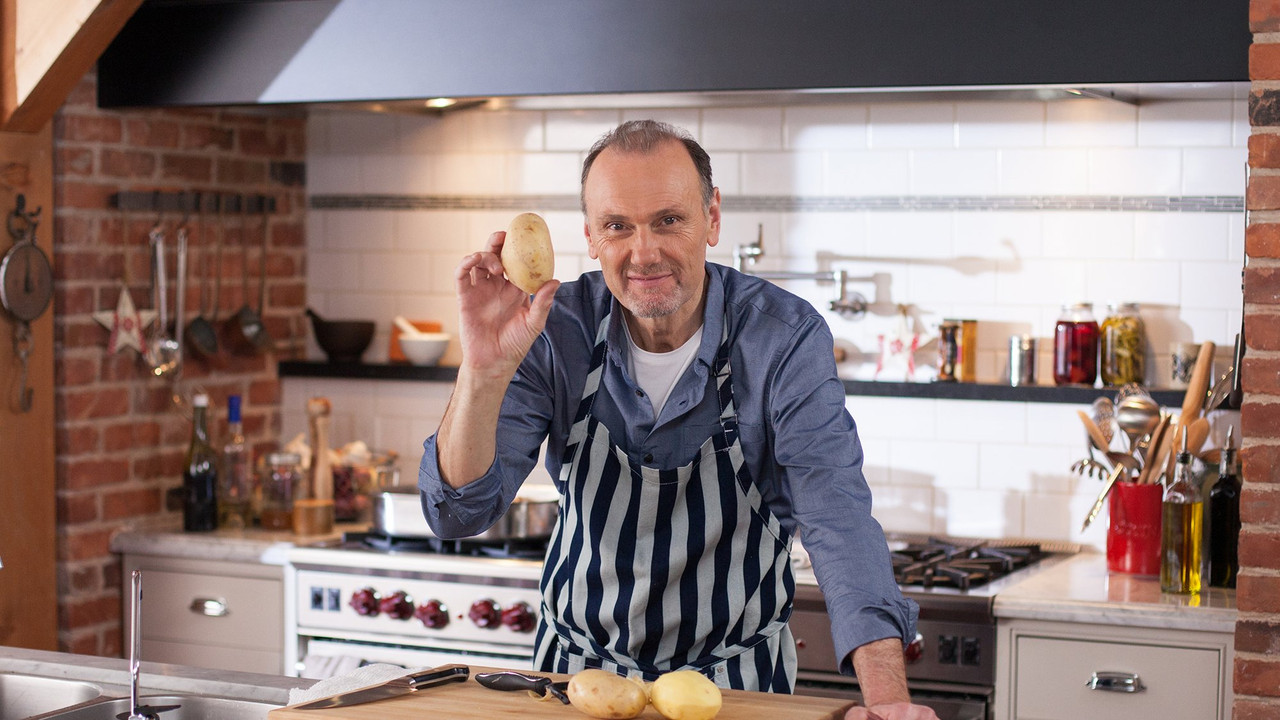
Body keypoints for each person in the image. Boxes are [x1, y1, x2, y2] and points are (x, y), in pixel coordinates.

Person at [420, 120, 938, 720]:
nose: (645, 253)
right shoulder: (551, 328)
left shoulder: (781, 338)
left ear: (712, 218)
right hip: (576, 689)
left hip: (737, 691)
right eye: (619, 226)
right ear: (590, 235)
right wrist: (483, 370)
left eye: (669, 219)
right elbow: (457, 512)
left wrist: (889, 701)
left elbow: (836, 515)